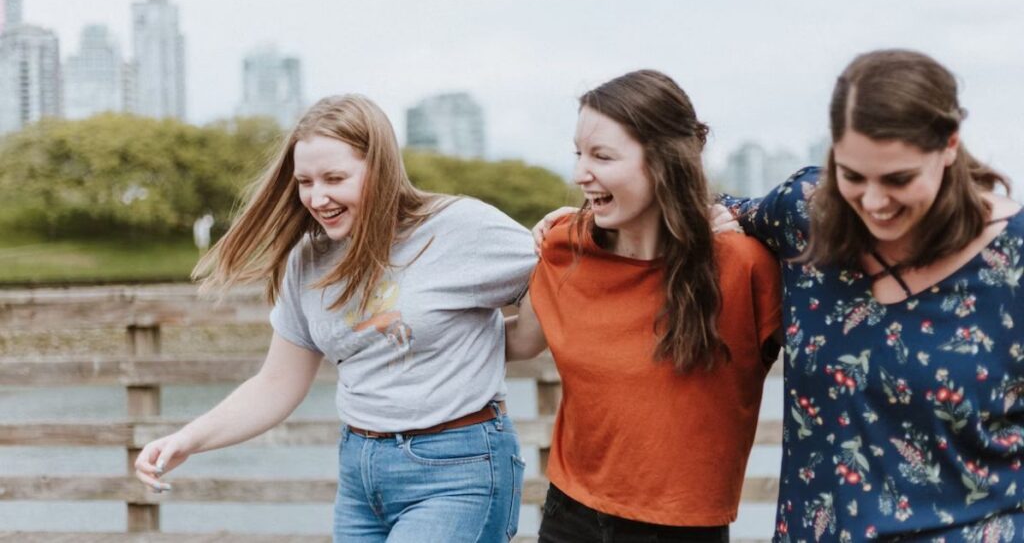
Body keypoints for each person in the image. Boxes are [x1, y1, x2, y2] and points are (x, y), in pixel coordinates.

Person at [133, 95, 535, 543]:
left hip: (457, 470)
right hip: (361, 473)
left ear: (380, 169)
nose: (317, 197)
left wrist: (512, 338)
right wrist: (189, 438)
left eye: (334, 178)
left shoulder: (459, 228)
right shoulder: (308, 260)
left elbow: (559, 281)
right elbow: (276, 384)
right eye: (305, 181)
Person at [714, 49, 1023, 541]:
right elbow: (703, 211)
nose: (874, 202)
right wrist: (576, 231)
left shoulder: (1015, 261)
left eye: (898, 179)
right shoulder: (805, 212)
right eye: (853, 176)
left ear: (949, 145)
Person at [507, 69, 783, 542]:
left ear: (664, 163)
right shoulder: (562, 245)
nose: (579, 174)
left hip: (678, 527)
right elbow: (518, 342)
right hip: (567, 515)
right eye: (578, 153)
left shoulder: (744, 265)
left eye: (602, 156)